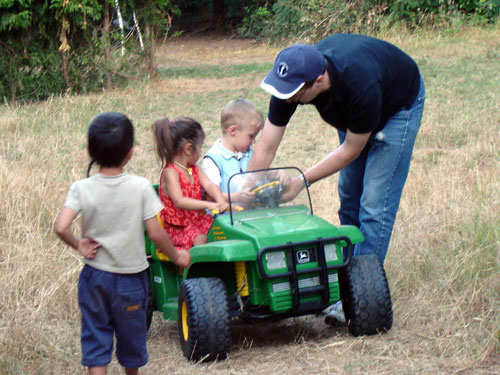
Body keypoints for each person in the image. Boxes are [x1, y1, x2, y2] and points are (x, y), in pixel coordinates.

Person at [251, 34, 425, 322]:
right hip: (356, 116)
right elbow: (267, 144)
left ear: (318, 81)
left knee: (373, 205)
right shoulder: (292, 79)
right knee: (348, 199)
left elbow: (350, 151)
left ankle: (359, 296)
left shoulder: (360, 84)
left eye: (294, 93)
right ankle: (345, 279)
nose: (287, 97)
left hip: (398, 107)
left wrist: (300, 182)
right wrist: (248, 193)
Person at [54, 112, 191, 375]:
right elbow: (156, 234)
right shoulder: (139, 187)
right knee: (131, 341)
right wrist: (177, 256)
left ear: (89, 150)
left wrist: (79, 244)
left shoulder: (81, 188)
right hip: (130, 279)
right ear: (130, 152)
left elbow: (61, 227)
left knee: (96, 339)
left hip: (94, 278)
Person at [152, 116, 227, 250]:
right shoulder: (171, 172)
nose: (200, 152)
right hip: (178, 229)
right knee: (200, 238)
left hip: (197, 222)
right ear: (188, 149)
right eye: (200, 147)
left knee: (222, 230)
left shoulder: (194, 169)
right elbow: (180, 201)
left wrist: (220, 199)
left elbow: (209, 185)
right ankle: (199, 270)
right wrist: (211, 204)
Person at [202, 98, 264, 201]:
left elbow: (261, 178)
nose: (253, 142)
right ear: (232, 130)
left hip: (250, 214)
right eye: (251, 136)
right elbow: (210, 197)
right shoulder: (214, 159)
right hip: (225, 216)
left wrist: (277, 174)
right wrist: (237, 197)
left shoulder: (249, 153)